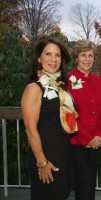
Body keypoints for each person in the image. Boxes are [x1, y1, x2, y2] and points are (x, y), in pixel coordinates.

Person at [21, 36, 75, 200]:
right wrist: (42, 162)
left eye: (57, 55)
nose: (53, 59)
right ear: (39, 58)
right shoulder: (34, 88)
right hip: (45, 155)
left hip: (62, 152)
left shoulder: (59, 86)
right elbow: (30, 129)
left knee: (60, 195)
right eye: (48, 54)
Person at [67, 40, 101, 200]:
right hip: (77, 142)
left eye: (90, 55)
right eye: (83, 55)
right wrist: (88, 138)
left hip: (96, 142)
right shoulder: (67, 80)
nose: (87, 59)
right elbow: (67, 114)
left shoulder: (99, 82)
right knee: (83, 183)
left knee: (90, 183)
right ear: (76, 58)